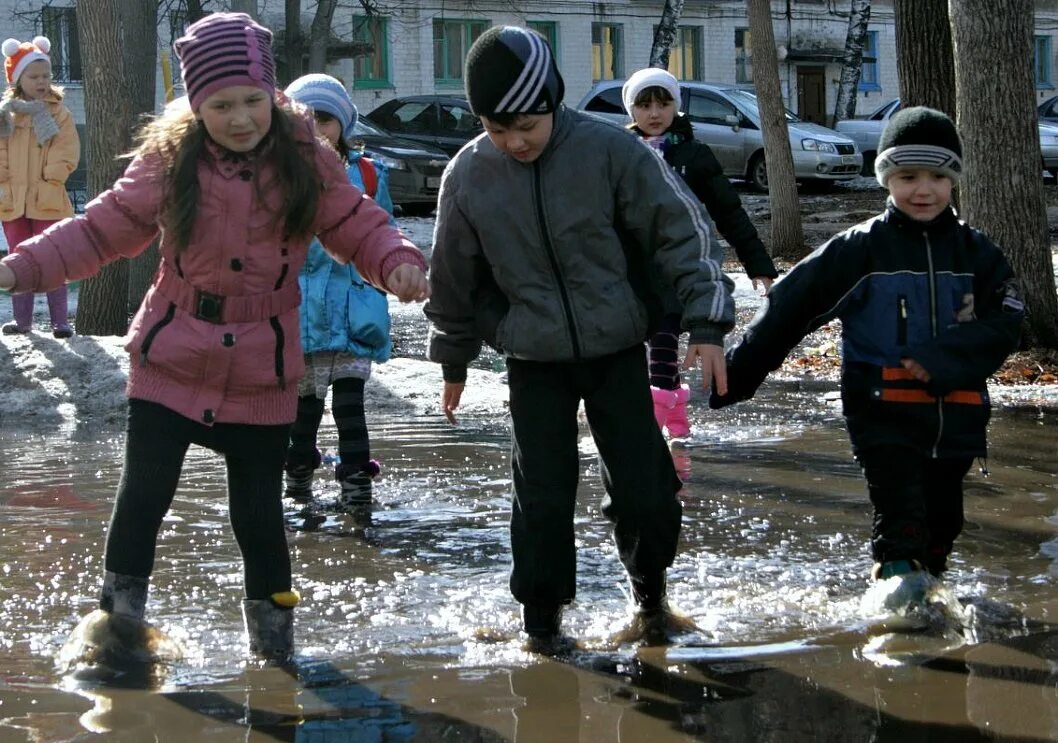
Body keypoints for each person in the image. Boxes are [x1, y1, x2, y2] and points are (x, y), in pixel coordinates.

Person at [0, 12, 429, 666]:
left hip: (263, 368)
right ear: (196, 104)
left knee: (259, 517)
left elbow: (359, 223)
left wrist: (397, 260)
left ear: (271, 95)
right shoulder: (171, 158)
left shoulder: (306, 158)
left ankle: (274, 650)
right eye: (220, 105)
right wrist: (18, 266)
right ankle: (115, 636)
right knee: (144, 496)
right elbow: (100, 230)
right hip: (171, 354)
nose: (240, 118)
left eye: (251, 102)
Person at [424, 26, 735, 650]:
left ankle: (652, 605)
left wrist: (706, 323)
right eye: (495, 127)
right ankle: (542, 628)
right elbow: (453, 273)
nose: (513, 142)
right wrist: (454, 357)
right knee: (540, 496)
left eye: (527, 126)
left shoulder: (611, 152)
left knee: (646, 492)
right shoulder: (470, 173)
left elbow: (682, 232)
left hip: (616, 348)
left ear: (553, 102)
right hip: (532, 358)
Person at [710, 107, 1023, 593]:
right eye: (907, 176)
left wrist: (944, 358)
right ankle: (896, 621)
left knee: (943, 527)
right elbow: (791, 307)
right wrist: (737, 374)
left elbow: (1007, 323)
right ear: (885, 179)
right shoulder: (860, 249)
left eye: (938, 177)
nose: (923, 190)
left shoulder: (978, 253)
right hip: (883, 415)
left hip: (958, 418)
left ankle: (930, 599)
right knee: (902, 526)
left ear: (954, 180)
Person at [623, 67, 778, 439]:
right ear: (632, 111)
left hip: (677, 273)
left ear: (675, 107)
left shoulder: (694, 155)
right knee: (633, 354)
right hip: (627, 275)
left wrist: (757, 262)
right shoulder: (620, 153)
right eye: (645, 105)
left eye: (663, 104)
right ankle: (676, 420)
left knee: (662, 344)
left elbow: (729, 213)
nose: (655, 113)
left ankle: (650, 434)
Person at [282, 73, 394, 513]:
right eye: (303, 120)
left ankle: (356, 486)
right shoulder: (278, 179)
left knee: (351, 406)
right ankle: (297, 479)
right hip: (299, 313)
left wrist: (390, 271)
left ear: (343, 125)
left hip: (350, 310)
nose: (315, 130)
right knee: (304, 410)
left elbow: (382, 232)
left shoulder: (364, 174)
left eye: (324, 119)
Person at [0, 35, 80, 338]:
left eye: (46, 75)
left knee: (52, 257)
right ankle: (22, 321)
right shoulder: (6, 115)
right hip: (14, 199)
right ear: (17, 78)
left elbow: (66, 149)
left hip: (47, 196)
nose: (41, 81)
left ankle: (59, 321)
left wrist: (53, 175)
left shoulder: (58, 113)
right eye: (33, 76)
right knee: (17, 259)